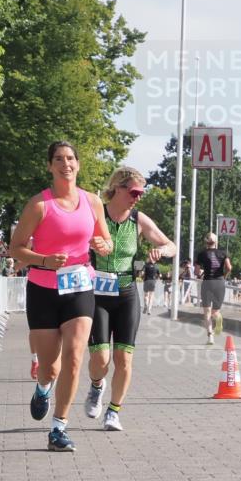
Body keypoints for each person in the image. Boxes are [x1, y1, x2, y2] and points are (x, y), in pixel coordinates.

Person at [10, 141, 112, 452]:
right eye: (58, 159)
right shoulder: (39, 205)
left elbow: (105, 240)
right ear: (50, 166)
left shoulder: (92, 202)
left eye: (70, 158)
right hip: (42, 289)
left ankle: (59, 427)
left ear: (78, 164)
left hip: (79, 287)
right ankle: (43, 388)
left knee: (74, 357)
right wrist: (43, 260)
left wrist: (103, 246)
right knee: (50, 367)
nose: (65, 164)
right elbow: (16, 249)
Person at [85, 167, 175, 431]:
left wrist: (161, 250)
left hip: (126, 293)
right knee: (101, 360)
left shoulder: (138, 219)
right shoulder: (95, 213)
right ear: (118, 188)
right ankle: (96, 386)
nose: (137, 198)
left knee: (124, 358)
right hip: (97, 293)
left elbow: (171, 245)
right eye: (134, 192)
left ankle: (113, 411)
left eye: (141, 194)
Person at [194, 232, 232, 345]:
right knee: (215, 311)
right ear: (216, 242)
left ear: (206, 242)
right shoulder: (223, 253)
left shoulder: (201, 254)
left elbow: (196, 271)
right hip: (219, 283)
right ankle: (218, 318)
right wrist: (224, 276)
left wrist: (200, 274)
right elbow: (229, 267)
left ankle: (210, 336)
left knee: (207, 311)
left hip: (207, 283)